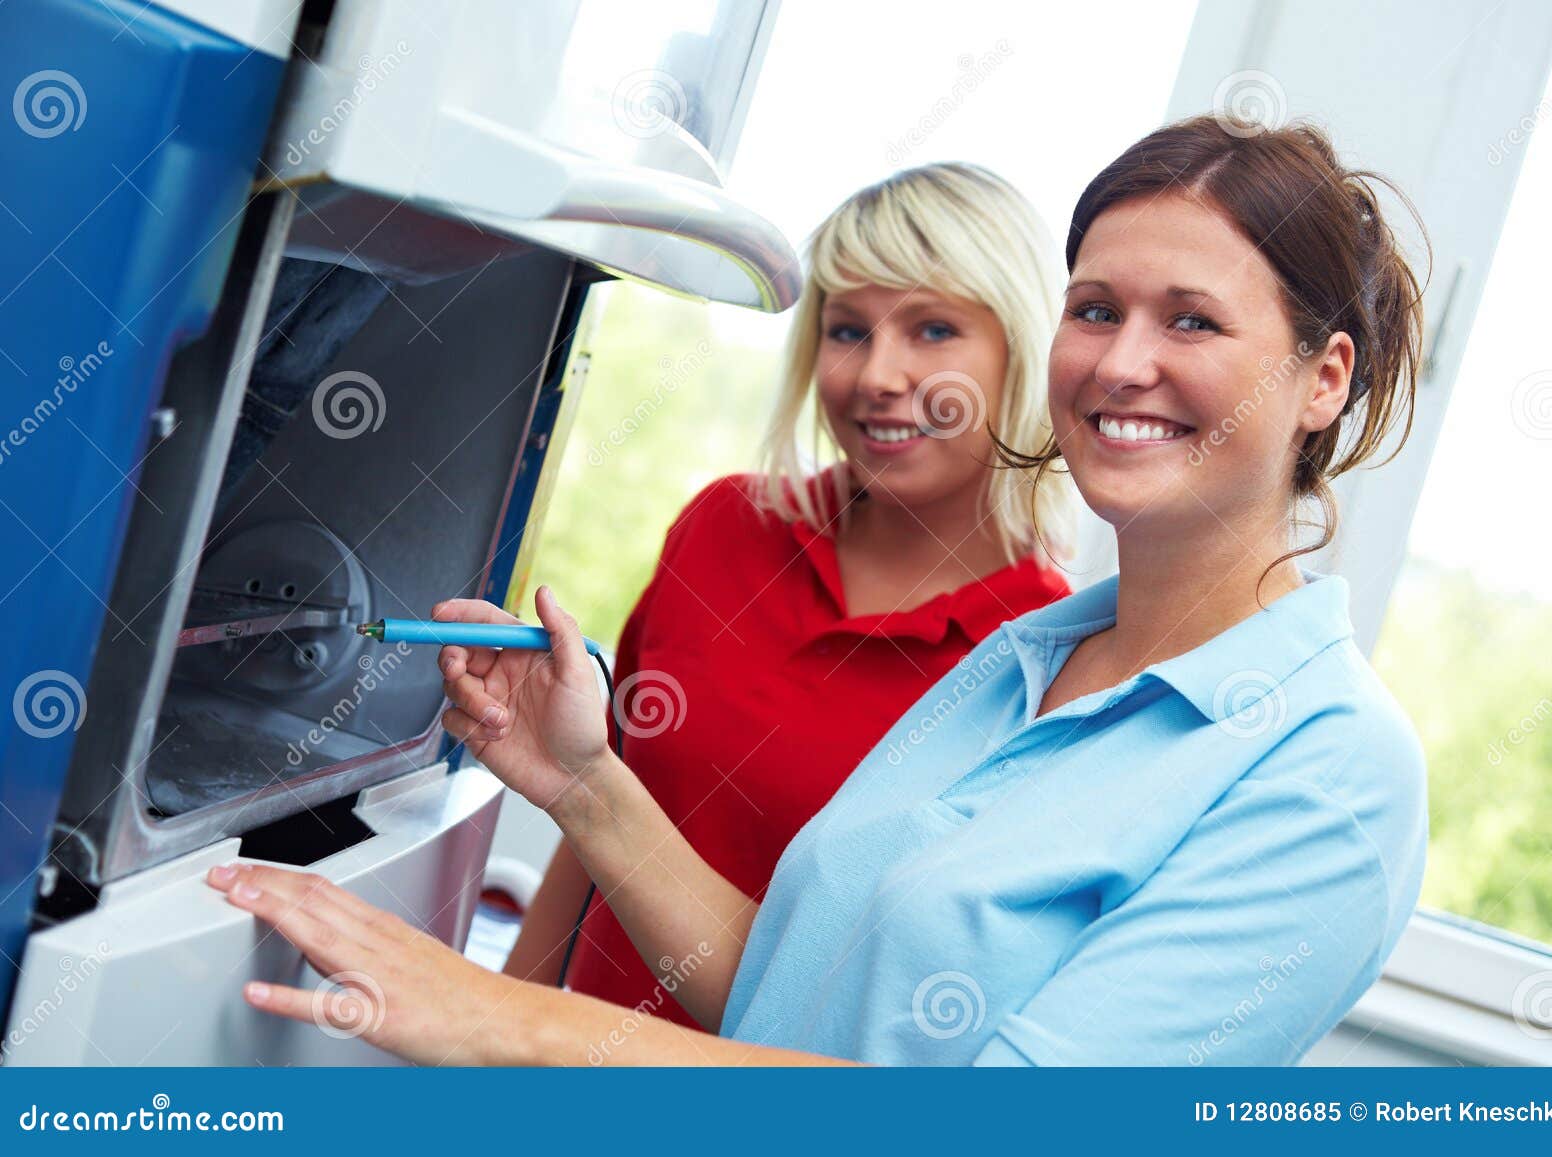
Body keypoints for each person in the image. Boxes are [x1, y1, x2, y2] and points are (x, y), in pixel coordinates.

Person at [205, 112, 1431, 1067]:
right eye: (1097, 309)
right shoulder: (1021, 663)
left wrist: (507, 1021)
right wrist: (583, 782)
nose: (1121, 362)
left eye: (1192, 321)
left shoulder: (1330, 774)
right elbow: (790, 1003)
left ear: (1323, 378)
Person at [502, 162, 1076, 1026]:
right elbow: (598, 814)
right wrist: (497, 1028)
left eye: (932, 329)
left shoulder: (1049, 655)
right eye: (847, 331)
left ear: (1022, 350)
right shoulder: (725, 527)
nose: (877, 375)